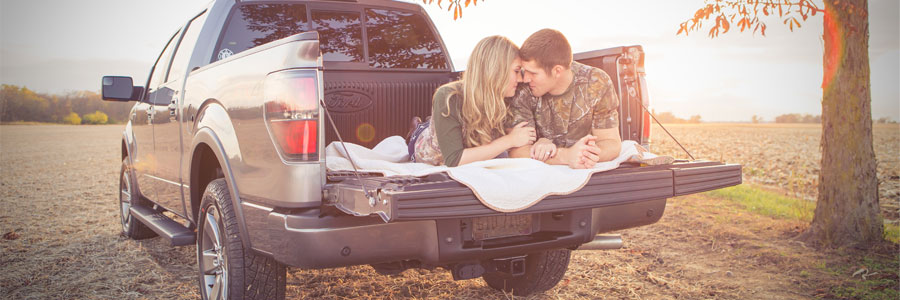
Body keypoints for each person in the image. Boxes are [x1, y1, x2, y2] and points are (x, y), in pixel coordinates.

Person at [408, 35, 536, 167]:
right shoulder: (448, 97)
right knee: (423, 132)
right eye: (516, 71)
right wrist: (509, 140)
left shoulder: (507, 95)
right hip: (426, 148)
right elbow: (454, 160)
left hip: (465, 140)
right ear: (496, 70)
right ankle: (416, 128)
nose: (521, 79)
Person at [507, 29, 622, 169]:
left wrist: (585, 154)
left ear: (557, 71)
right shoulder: (522, 89)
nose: (524, 78)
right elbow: (518, 153)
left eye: (533, 73)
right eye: (525, 71)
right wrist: (566, 156)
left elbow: (611, 142)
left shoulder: (596, 82)